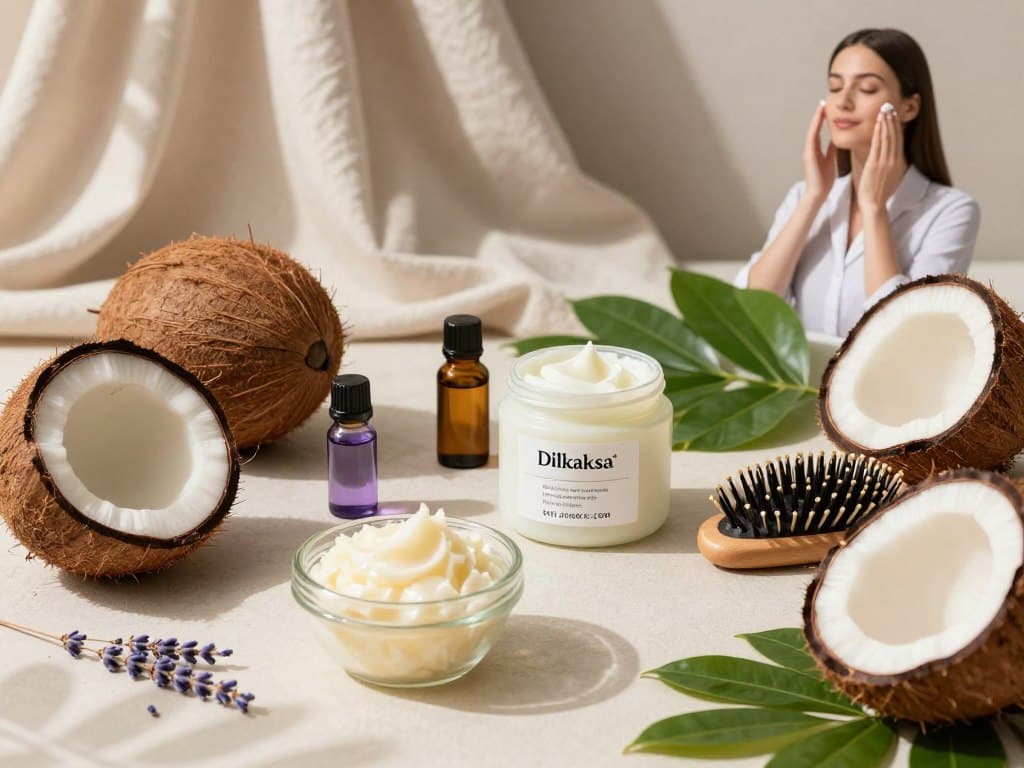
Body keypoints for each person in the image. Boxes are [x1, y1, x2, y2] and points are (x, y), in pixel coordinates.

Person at [736, 28, 980, 338]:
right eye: (835, 87)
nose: (843, 101)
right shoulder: (802, 197)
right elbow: (751, 311)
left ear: (909, 107)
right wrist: (813, 197)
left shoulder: (951, 211)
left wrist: (873, 208)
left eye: (866, 88)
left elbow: (910, 332)